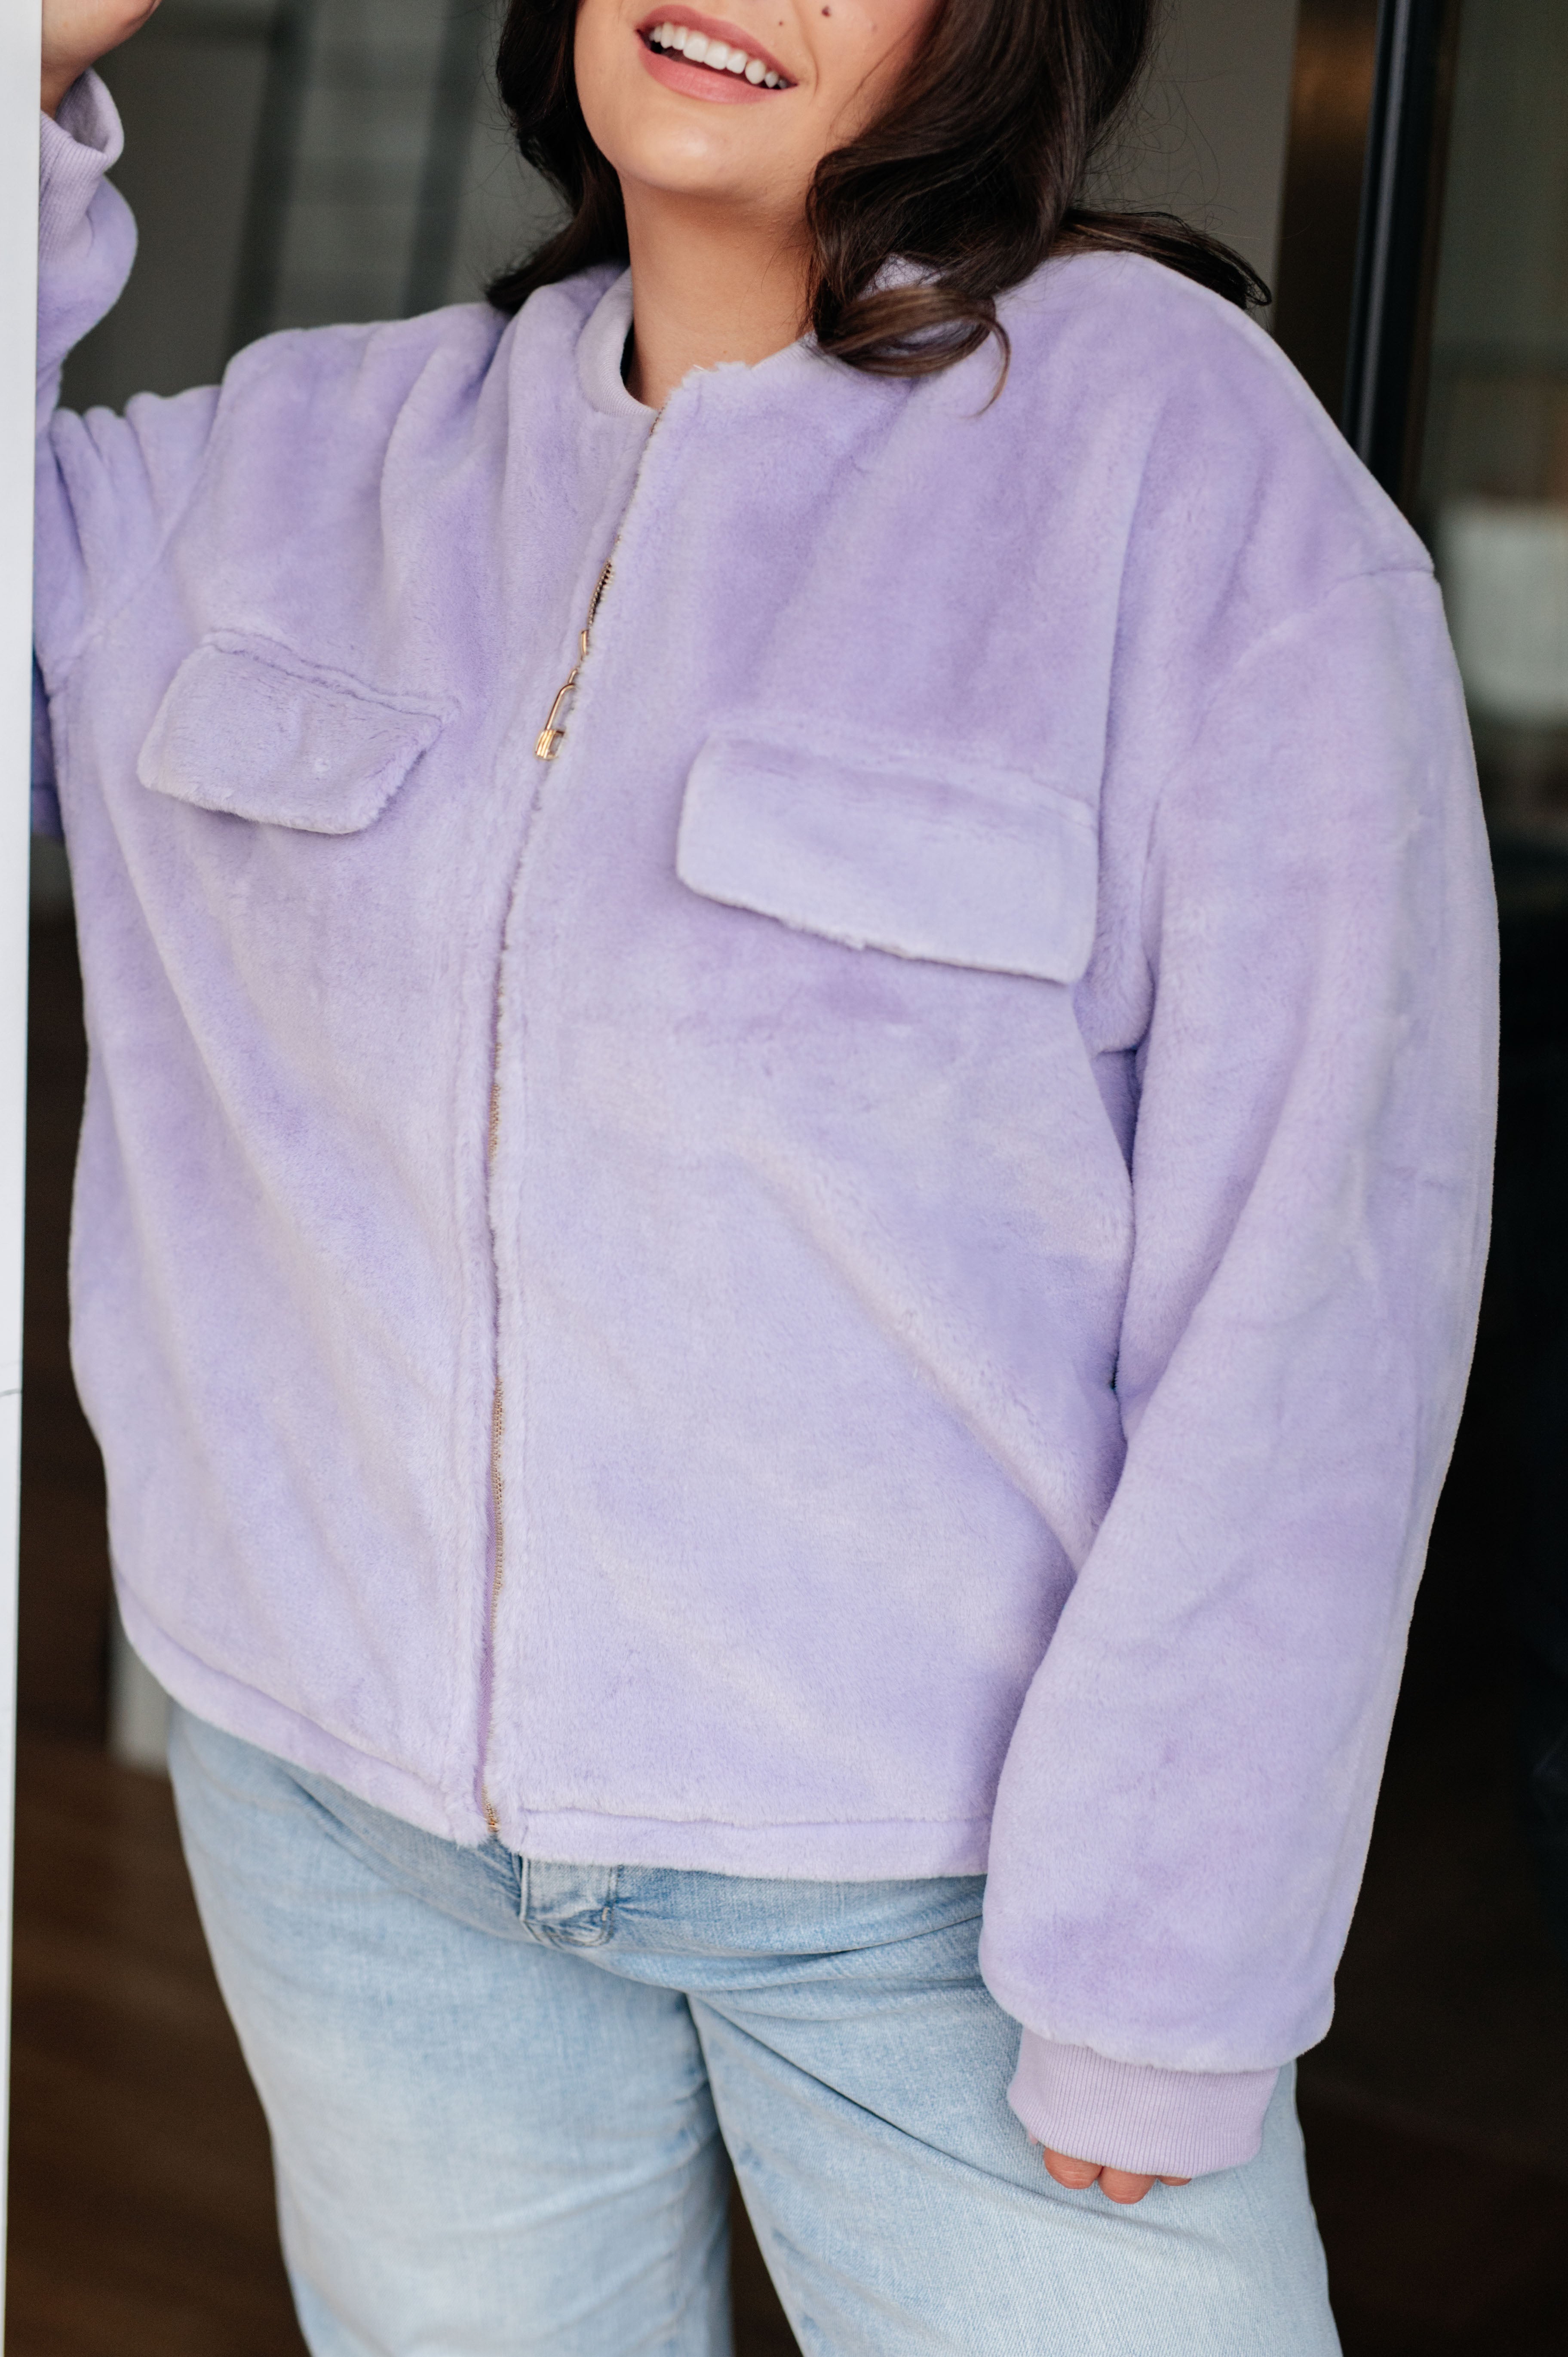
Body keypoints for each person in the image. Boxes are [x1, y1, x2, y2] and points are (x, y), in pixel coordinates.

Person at [33, 0, 1496, 2349]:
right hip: (351, 1839)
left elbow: (1318, 1282)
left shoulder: (1180, 472)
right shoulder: (303, 460)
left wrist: (1171, 1962)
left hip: (945, 1903)